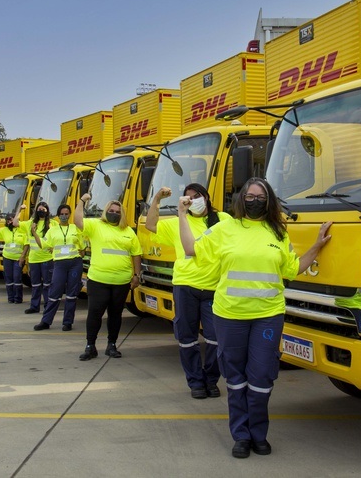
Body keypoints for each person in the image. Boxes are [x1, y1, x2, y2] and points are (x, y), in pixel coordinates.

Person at [178, 177, 332, 459]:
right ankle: (241, 435)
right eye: (249, 196)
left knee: (261, 376)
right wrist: (181, 214)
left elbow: (292, 269)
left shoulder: (278, 232)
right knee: (235, 377)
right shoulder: (224, 228)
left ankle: (259, 433)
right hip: (230, 315)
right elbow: (191, 249)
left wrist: (316, 246)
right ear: (241, 199)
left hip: (267, 316)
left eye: (261, 196)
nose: (255, 201)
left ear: (269, 200)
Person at [145, 183, 231, 399]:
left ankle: (211, 379)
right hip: (185, 286)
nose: (193, 200)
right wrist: (157, 199)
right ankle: (196, 382)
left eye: (197, 195)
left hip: (214, 288)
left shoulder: (223, 219)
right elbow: (150, 224)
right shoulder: (178, 221)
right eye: (188, 197)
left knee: (216, 338)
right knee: (187, 337)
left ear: (207, 197)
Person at [74, 193, 142, 360]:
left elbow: (136, 254)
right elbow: (77, 220)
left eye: (118, 212)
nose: (114, 213)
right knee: (94, 314)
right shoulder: (95, 225)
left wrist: (137, 275)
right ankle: (90, 346)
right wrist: (82, 201)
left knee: (115, 315)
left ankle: (112, 345)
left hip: (121, 282)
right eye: (111, 211)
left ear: (122, 214)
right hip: (98, 280)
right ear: (105, 211)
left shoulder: (129, 231)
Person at [35, 203, 84, 331]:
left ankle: (67, 322)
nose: (64, 216)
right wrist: (34, 233)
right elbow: (43, 244)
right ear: (57, 215)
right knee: (54, 292)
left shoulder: (75, 228)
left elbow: (83, 246)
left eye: (66, 214)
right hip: (59, 264)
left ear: (70, 215)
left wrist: (82, 251)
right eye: (61, 214)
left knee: (71, 294)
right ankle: (46, 321)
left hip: (75, 263)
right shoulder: (52, 230)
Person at [19, 202, 54, 314]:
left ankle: (48, 306)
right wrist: (20, 210)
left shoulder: (53, 223)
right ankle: (34, 306)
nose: (41, 211)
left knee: (47, 284)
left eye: (43, 210)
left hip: (47, 259)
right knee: (35, 284)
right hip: (34, 260)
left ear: (47, 211)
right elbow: (15, 222)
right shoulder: (30, 223)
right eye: (39, 209)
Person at [0, 210, 30, 303]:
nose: (9, 222)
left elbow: (26, 244)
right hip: (7, 257)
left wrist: (22, 257)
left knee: (17, 277)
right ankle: (10, 298)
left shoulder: (22, 230)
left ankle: (18, 298)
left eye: (11, 220)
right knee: (8, 277)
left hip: (18, 259)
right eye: (7, 220)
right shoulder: (4, 230)